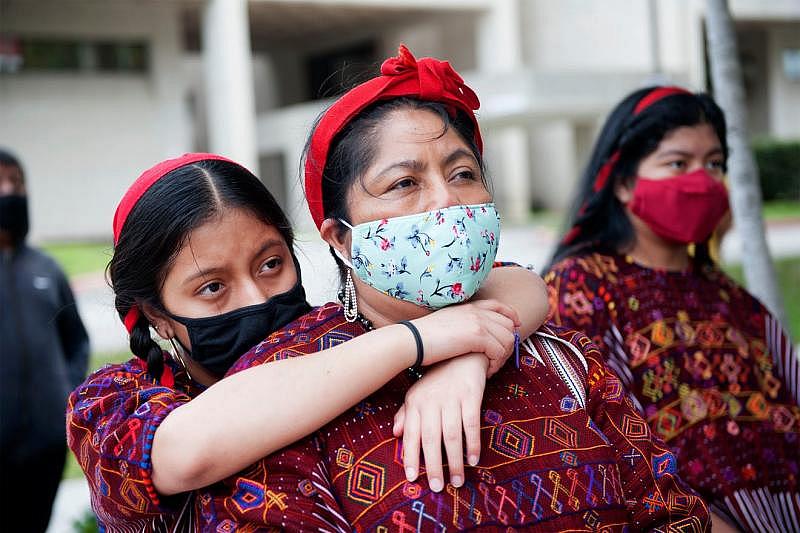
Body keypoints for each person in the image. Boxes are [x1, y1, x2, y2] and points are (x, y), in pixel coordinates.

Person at [206, 46, 711, 531]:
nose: (447, 201)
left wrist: (465, 351)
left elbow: (669, 511)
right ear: (340, 236)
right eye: (404, 183)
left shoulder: (566, 360)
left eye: (464, 173)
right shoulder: (290, 385)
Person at [66, 153, 549, 530]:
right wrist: (416, 341)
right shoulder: (111, 404)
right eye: (213, 287)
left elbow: (516, 284)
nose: (257, 297)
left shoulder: (343, 337)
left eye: (271, 264)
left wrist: (462, 360)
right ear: (157, 315)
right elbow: (184, 453)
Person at [546, 86, 799, 532]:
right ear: (624, 182)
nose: (702, 180)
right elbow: (606, 445)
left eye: (715, 164)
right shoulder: (581, 287)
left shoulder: (733, 300)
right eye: (678, 163)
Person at [0, 148, 90, 532]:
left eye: (16, 184)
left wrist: (64, 396)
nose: (8, 192)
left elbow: (77, 341)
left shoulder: (47, 269)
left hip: (46, 444)